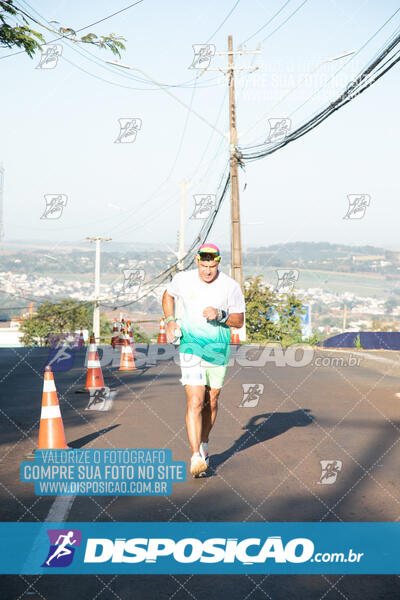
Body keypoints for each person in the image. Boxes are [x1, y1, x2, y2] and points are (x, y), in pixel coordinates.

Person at [162, 243, 245, 477]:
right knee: (196, 401)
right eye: (203, 265)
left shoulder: (230, 286)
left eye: (212, 265)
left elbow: (238, 321)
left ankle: (204, 443)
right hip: (190, 346)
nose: (207, 271)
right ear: (197, 262)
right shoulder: (183, 279)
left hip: (218, 349)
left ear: (218, 263)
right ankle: (195, 455)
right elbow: (167, 295)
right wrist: (170, 320)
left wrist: (221, 315)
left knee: (212, 400)